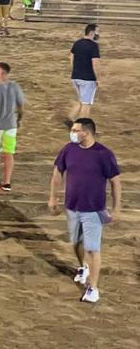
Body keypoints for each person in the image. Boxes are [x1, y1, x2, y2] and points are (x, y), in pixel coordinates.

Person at [47, 119, 122, 304]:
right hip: (72, 206)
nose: (71, 132)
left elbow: (115, 182)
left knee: (92, 248)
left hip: (93, 210)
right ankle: (83, 267)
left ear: (86, 133)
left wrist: (116, 208)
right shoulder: (68, 149)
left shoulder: (104, 154)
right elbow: (57, 173)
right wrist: (53, 198)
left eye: (75, 130)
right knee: (76, 242)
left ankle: (93, 288)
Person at [0, 62, 26, 192]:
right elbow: (21, 106)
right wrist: (18, 120)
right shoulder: (15, 87)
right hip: (11, 125)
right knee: (9, 153)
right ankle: (7, 182)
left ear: (1, 73)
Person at [67, 24, 101, 123]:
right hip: (88, 79)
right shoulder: (94, 46)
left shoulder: (77, 43)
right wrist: (98, 78)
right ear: (92, 33)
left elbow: (71, 57)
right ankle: (82, 127)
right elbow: (95, 63)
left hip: (75, 77)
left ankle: (70, 119)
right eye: (97, 32)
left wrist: (76, 70)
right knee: (86, 104)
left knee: (81, 100)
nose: (98, 34)